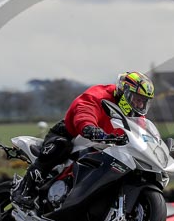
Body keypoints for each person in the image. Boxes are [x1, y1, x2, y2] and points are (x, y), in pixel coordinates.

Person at [11, 71, 155, 208]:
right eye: (137, 99)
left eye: (143, 102)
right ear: (124, 92)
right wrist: (90, 128)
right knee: (60, 146)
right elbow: (84, 110)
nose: (139, 105)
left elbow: (140, 135)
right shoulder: (99, 95)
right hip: (72, 135)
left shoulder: (136, 116)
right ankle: (24, 189)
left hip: (106, 146)